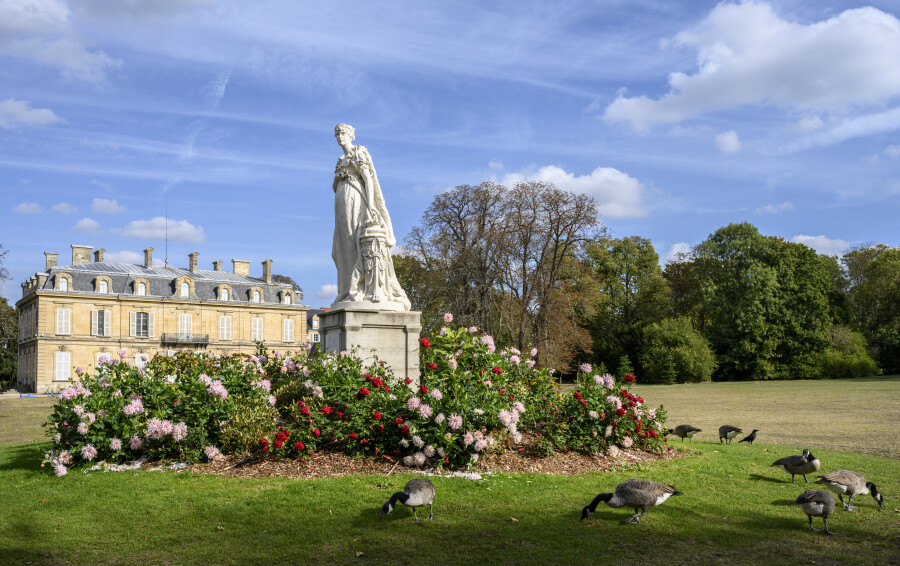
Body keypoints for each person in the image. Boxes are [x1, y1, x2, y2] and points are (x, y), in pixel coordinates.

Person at [331, 123, 410, 310]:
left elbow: (368, 179)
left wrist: (372, 206)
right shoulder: (341, 160)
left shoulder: (358, 153)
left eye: (343, 133)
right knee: (341, 248)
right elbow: (335, 186)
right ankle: (345, 290)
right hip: (341, 206)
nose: (339, 137)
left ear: (351, 135)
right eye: (337, 134)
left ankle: (358, 287)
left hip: (356, 203)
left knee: (354, 243)